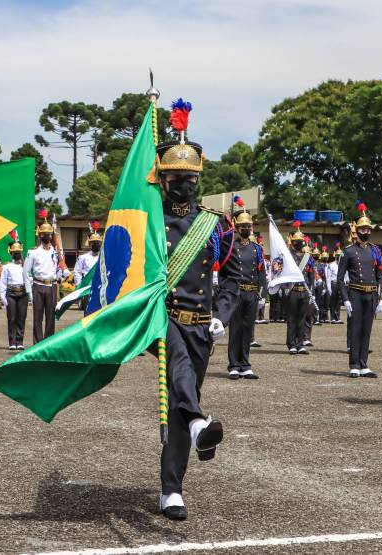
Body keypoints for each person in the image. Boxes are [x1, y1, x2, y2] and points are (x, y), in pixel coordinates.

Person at [153, 122, 236, 521]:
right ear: (162, 179)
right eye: (176, 178)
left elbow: (235, 277)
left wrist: (222, 315)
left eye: (190, 178)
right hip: (162, 320)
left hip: (203, 324)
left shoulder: (215, 223)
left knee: (182, 403)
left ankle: (173, 485)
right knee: (181, 375)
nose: (183, 184)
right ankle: (197, 427)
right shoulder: (149, 221)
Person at [338, 201, 382, 378]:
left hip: (371, 294)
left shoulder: (376, 251)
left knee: (367, 330)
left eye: (368, 229)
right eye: (363, 229)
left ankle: (364, 364)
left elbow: (380, 275)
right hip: (355, 293)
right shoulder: (348, 251)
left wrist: (381, 297)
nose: (366, 232)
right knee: (355, 329)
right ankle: (354, 364)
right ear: (356, 230)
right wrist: (346, 299)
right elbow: (340, 279)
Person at [226, 207, 266, 380]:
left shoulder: (256, 249)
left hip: (251, 293)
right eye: (243, 226)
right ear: (236, 226)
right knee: (235, 330)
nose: (246, 229)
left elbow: (261, 272)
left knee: (248, 329)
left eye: (248, 226)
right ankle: (234, 365)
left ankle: (245, 365)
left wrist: (262, 294)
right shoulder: (231, 247)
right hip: (236, 292)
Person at [25, 211, 70, 344]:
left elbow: (58, 268)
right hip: (38, 286)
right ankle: (37, 344)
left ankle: (48, 343)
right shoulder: (33, 252)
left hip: (51, 286)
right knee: (37, 318)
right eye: (44, 234)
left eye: (49, 234)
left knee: (51, 317)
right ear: (39, 235)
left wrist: (62, 273)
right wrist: (29, 292)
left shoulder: (56, 252)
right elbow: (26, 273)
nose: (47, 236)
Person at [285, 223, 314, 355]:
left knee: (302, 318)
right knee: (291, 318)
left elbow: (310, 274)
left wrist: (311, 290)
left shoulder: (307, 256)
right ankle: (291, 344)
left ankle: (300, 343)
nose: (299, 244)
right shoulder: (288, 256)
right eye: (297, 241)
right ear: (293, 242)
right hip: (292, 290)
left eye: (301, 241)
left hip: (305, 290)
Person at [0, 235, 31, 350]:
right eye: (15, 252)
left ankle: (20, 341)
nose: (17, 254)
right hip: (11, 294)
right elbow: (3, 282)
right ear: (11, 253)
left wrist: (30, 294)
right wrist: (3, 298)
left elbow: (29, 279)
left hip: (23, 294)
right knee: (12, 318)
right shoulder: (7, 267)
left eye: (18, 252)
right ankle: (12, 342)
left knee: (21, 318)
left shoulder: (26, 266)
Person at [73, 221, 102, 311]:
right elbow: (77, 272)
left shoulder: (104, 257)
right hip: (87, 287)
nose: (96, 244)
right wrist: (79, 286)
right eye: (93, 242)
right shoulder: (83, 257)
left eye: (98, 242)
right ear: (89, 244)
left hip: (101, 287)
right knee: (88, 312)